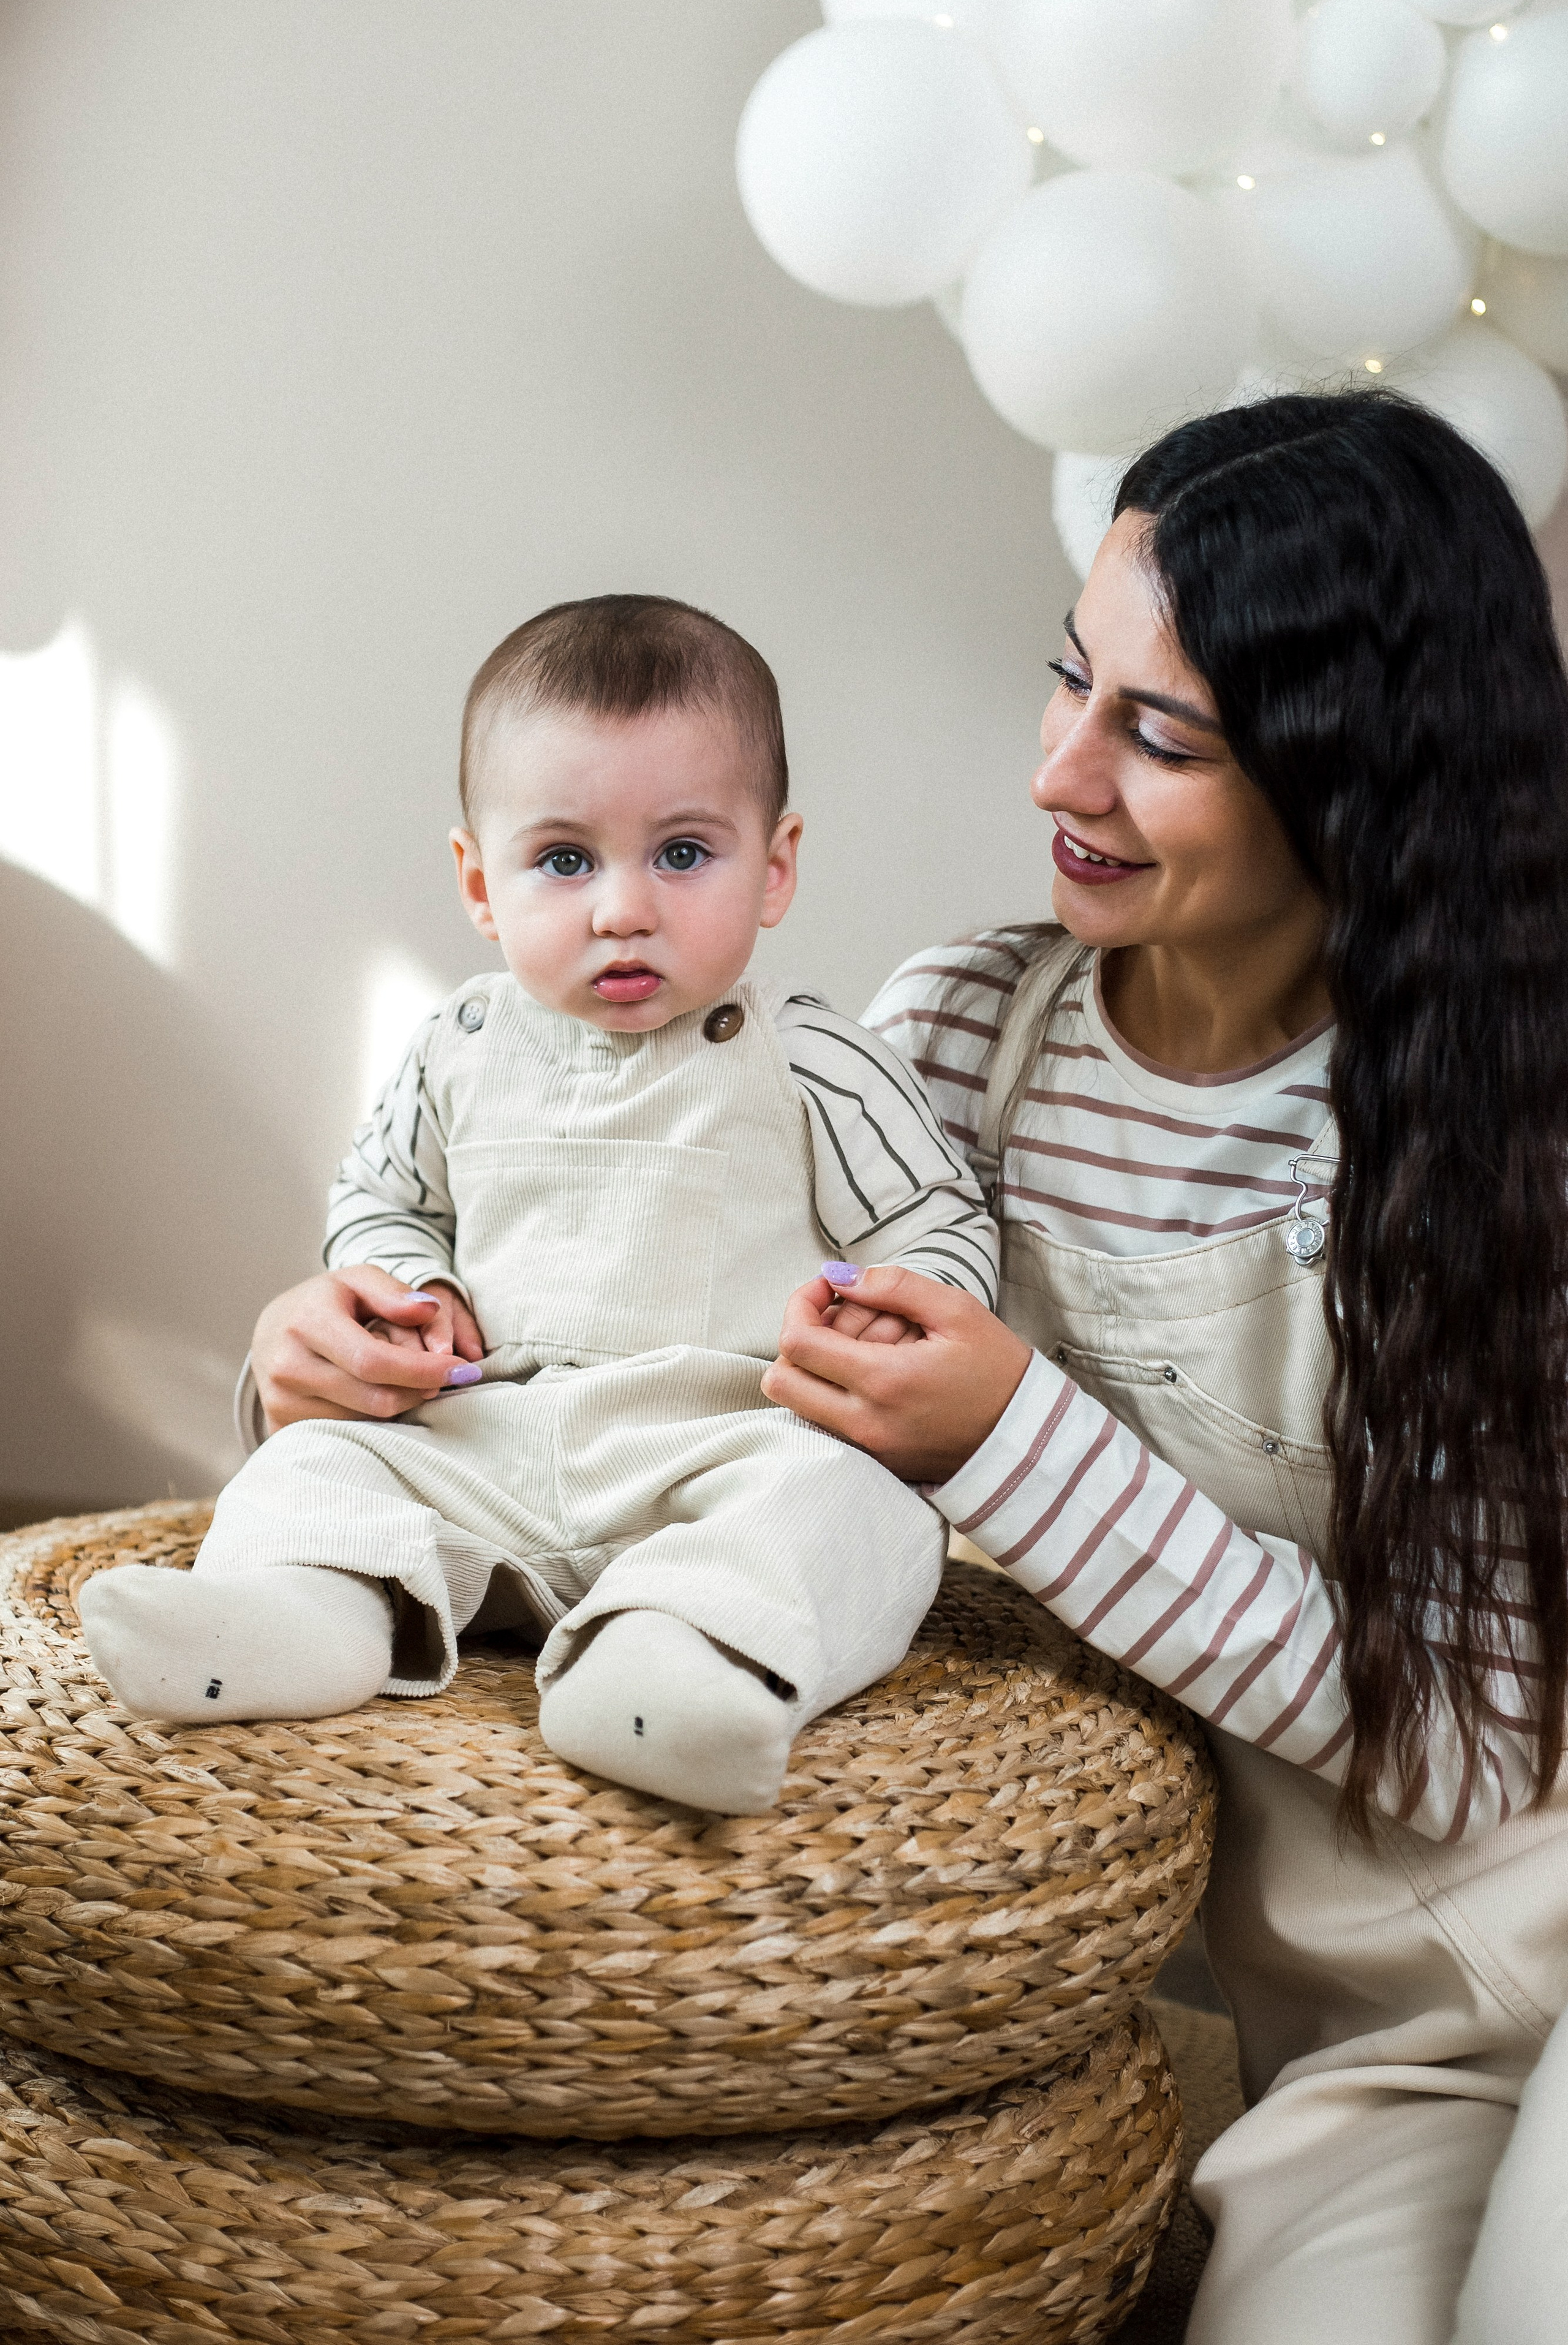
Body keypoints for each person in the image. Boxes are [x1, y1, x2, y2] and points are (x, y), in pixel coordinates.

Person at [234, 395, 1568, 2342]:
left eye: (1161, 735)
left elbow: (1465, 1750)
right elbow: (645, 1398)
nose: (1062, 768)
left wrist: (1016, 1438)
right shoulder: (961, 1041)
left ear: (1353, 780)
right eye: (1069, 677)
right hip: (1351, 2050)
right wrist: (324, 1364)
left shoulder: (1480, 1137)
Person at [80, 594, 996, 1816]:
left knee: (855, 1508)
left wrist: (903, 1312)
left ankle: (678, 1656)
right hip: (487, 1441)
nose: (622, 907)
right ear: (477, 880)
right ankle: (306, 1612)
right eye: (564, 860)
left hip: (719, 1444)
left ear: (773, 868)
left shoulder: (809, 1058)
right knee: (321, 1458)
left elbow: (937, 1218)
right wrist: (410, 1285)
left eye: (682, 853)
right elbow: (380, 1201)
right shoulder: (455, 1047)